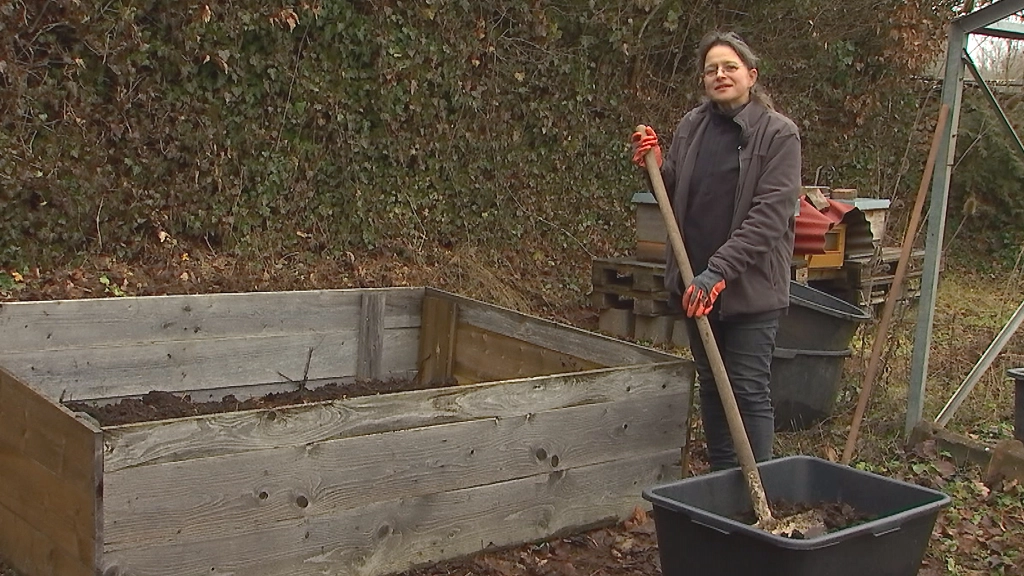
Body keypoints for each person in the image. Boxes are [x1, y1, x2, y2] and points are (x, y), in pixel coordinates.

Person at [630, 31, 801, 471]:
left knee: (746, 389)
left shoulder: (779, 135)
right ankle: (725, 481)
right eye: (711, 70)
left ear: (751, 75)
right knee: (711, 385)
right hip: (695, 284)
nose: (720, 75)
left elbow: (770, 216)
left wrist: (719, 271)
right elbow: (675, 192)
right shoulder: (693, 126)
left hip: (748, 287)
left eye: (730, 67)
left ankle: (756, 487)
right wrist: (656, 165)